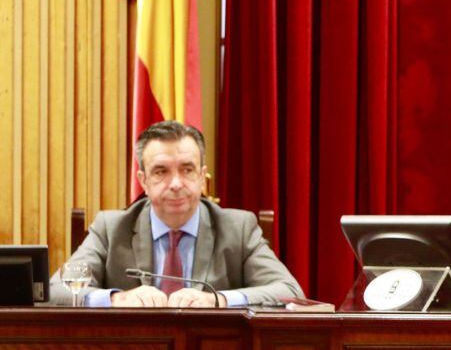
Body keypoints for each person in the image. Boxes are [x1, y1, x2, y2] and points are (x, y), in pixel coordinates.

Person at [49, 120, 304, 307]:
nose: (176, 184)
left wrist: (220, 299)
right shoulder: (111, 228)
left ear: (202, 177)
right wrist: (118, 297)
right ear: (143, 181)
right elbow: (56, 290)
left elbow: (290, 291)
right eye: (161, 171)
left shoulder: (237, 228)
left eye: (187, 170)